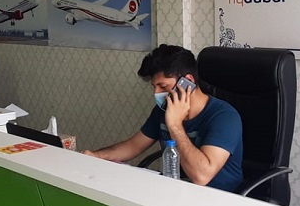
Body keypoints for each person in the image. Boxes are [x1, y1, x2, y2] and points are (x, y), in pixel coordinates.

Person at [84, 44, 244, 192]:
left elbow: (201, 177)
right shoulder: (163, 109)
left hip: (219, 198)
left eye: (163, 86)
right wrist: (96, 156)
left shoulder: (224, 117)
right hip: (176, 190)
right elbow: (134, 145)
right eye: (154, 87)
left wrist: (174, 125)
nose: (157, 93)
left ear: (188, 81)